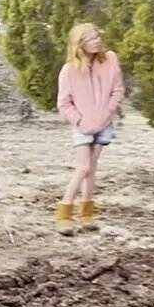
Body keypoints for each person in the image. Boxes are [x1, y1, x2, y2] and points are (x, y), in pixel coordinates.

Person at [54, 22, 125, 236]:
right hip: (82, 126)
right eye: (91, 39)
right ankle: (63, 214)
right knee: (83, 168)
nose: (97, 41)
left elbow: (118, 90)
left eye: (97, 36)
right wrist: (80, 121)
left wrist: (106, 115)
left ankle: (87, 215)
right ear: (80, 44)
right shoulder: (69, 70)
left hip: (104, 123)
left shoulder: (110, 59)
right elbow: (64, 103)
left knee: (92, 170)